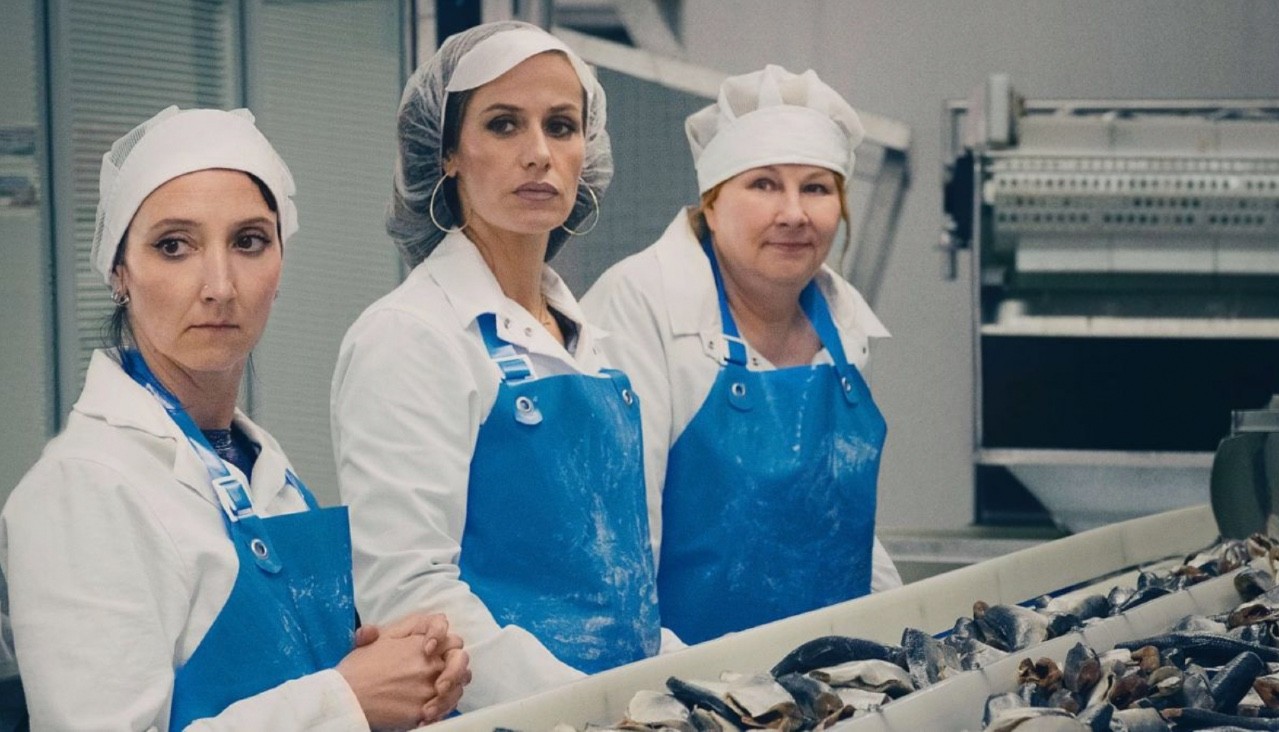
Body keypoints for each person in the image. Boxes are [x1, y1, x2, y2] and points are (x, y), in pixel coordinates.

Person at [0, 106, 470, 731]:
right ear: (119, 271)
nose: (220, 285)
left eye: (249, 242)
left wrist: (402, 670)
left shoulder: (261, 470)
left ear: (280, 268)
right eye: (174, 246)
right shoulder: (79, 492)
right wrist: (344, 700)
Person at [331, 21, 662, 711]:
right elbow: (412, 597)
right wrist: (589, 713)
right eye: (505, 125)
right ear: (447, 152)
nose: (539, 154)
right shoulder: (411, 336)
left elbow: (624, 593)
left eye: (562, 126)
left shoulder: (596, 347)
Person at [582, 65, 904, 645]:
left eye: (816, 187)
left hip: (827, 686)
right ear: (711, 203)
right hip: (680, 682)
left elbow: (844, 531)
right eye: (763, 184)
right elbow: (620, 555)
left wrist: (899, 640)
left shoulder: (844, 322)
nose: (793, 214)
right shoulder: (640, 304)